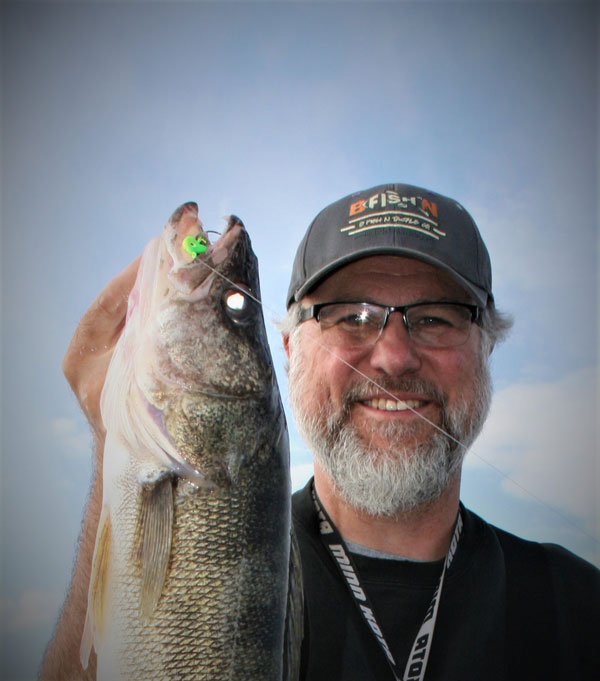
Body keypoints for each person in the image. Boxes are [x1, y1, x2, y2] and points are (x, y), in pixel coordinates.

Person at [40, 183, 599, 681]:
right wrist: (113, 445)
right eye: (350, 316)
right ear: (288, 350)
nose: (394, 357)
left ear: (487, 348)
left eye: (435, 317)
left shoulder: (581, 606)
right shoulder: (206, 534)